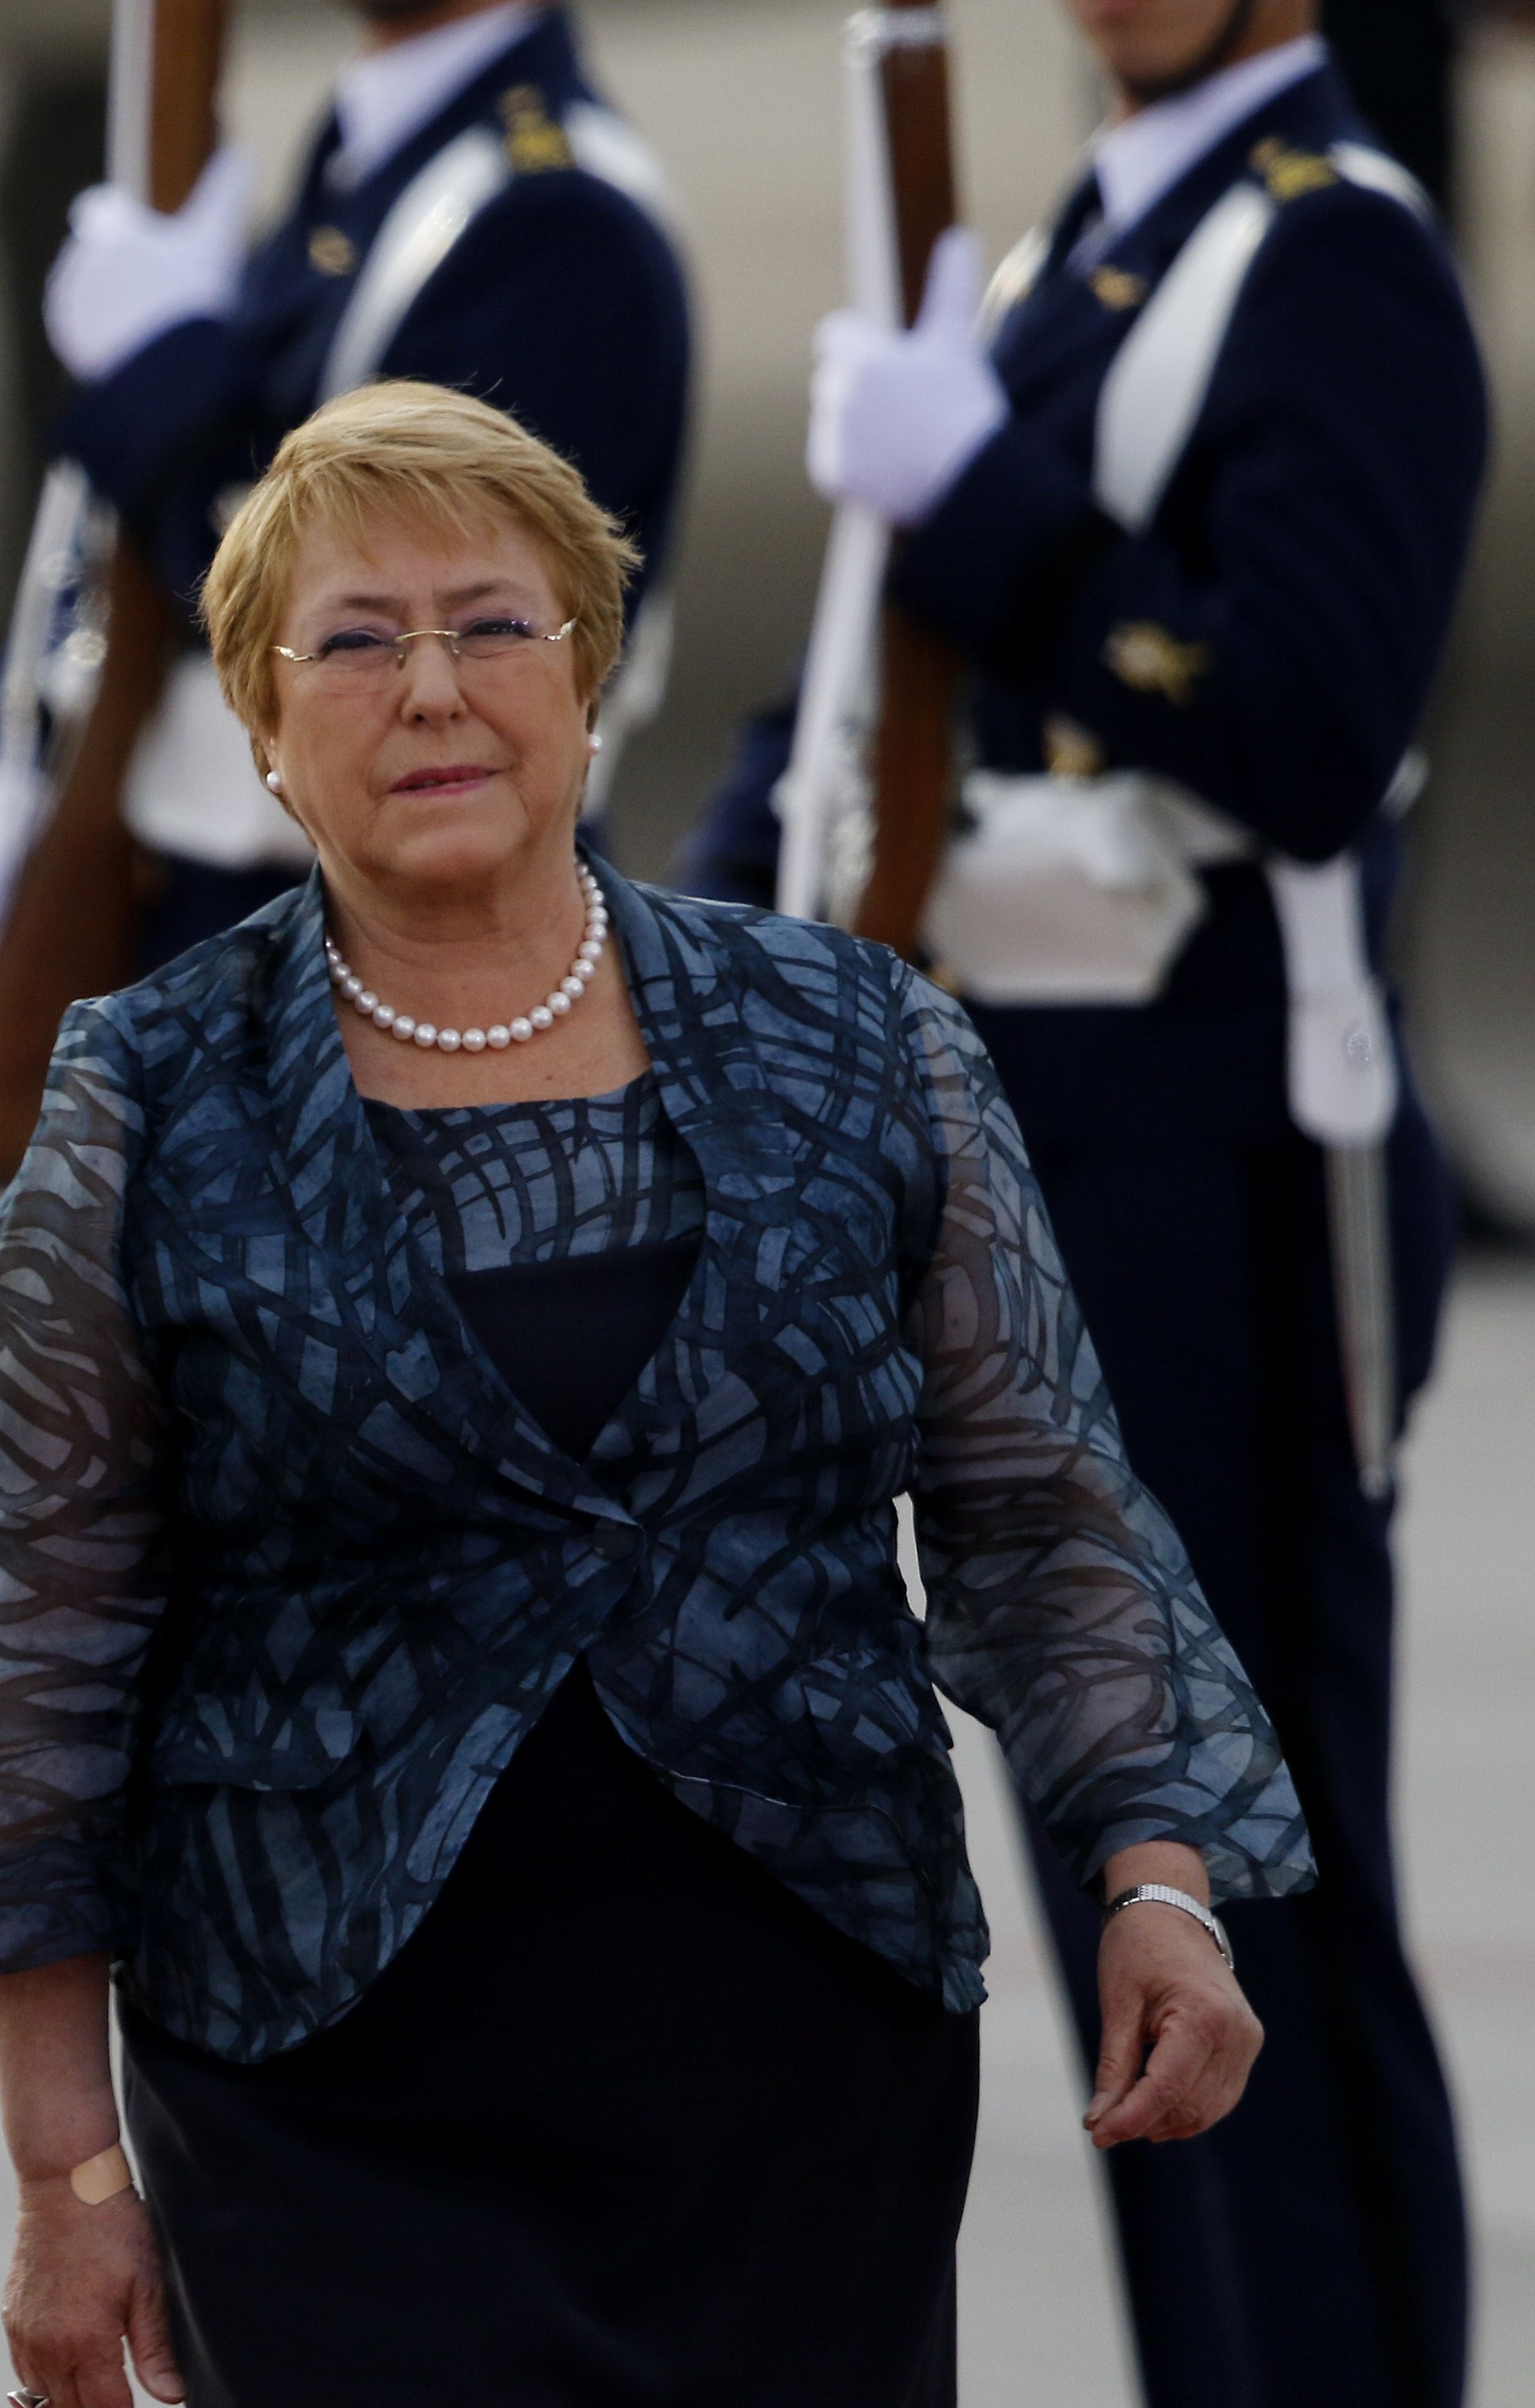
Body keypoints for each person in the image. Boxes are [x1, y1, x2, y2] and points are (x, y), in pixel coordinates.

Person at [0, 382, 1306, 2408]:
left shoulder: (854, 1039)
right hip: (323, 2100)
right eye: (357, 640)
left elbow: (1042, 1508)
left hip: (797, 2073)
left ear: (590, 681)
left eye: (495, 625)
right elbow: (48, 1653)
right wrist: (66, 2172)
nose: (433, 691)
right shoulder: (148, 1098)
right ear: (258, 723)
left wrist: (1158, 1876)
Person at [673, 0, 1484, 2396]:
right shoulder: (1092, 239)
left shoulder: (1329, 257)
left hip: (1220, 1165)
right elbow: (877, 696)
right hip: (1033, 1161)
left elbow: (1301, 726)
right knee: (1121, 1876)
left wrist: (988, 509)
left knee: (1242, 1878)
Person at [12, 0, 691, 973]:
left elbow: (402, 608)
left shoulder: (553, 218)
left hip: (415, 936)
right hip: (248, 907)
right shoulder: (379, 151)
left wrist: (160, 377)